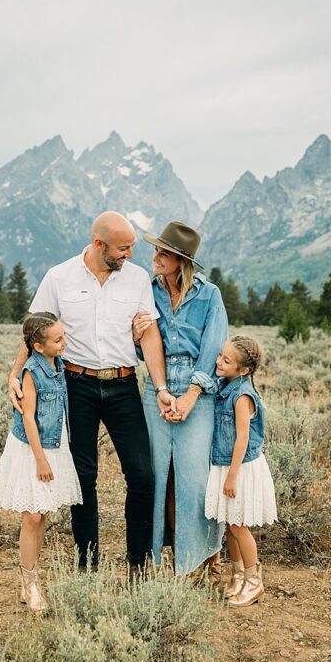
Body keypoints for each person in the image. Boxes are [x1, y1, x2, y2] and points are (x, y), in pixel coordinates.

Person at [8, 212, 172, 578]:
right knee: (84, 477)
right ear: (99, 244)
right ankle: (87, 566)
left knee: (142, 475)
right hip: (75, 385)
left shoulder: (138, 279)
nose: (130, 254)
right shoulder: (60, 276)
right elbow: (32, 328)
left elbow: (149, 335)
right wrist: (15, 373)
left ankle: (138, 564)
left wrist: (160, 387)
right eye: (123, 248)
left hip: (124, 383)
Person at [129, 221, 229, 579]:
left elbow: (215, 347)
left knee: (194, 477)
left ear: (181, 260)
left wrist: (191, 394)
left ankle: (202, 559)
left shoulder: (209, 295)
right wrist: (136, 339)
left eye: (163, 252)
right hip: (155, 388)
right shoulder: (148, 291)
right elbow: (138, 349)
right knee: (160, 476)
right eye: (156, 250)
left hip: (197, 392)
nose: (155, 257)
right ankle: (162, 559)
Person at [0, 312, 82, 611]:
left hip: (53, 445)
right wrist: (41, 461)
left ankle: (27, 581)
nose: (64, 343)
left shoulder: (58, 366)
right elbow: (28, 417)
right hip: (32, 450)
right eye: (58, 340)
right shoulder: (32, 371)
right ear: (38, 346)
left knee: (41, 514)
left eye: (64, 336)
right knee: (31, 515)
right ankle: (30, 583)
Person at [205, 335, 278, 607]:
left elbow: (242, 438)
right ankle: (238, 576)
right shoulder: (225, 386)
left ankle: (254, 580)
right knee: (229, 523)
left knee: (238, 525)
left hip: (240, 467)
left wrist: (232, 475)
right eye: (220, 356)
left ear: (243, 370)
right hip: (226, 464)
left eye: (226, 360)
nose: (219, 362)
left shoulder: (241, 395)